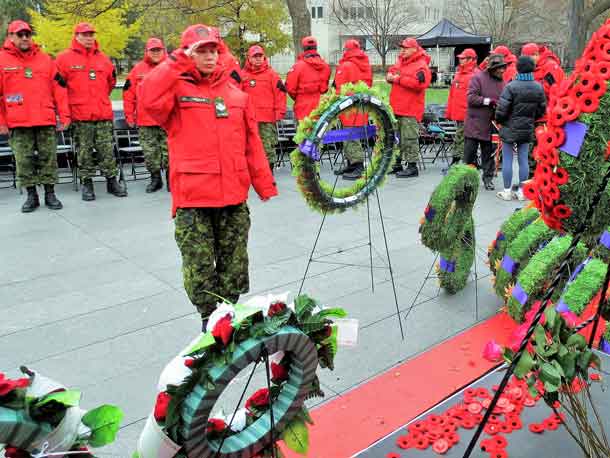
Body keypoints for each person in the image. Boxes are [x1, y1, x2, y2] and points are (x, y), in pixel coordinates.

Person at [140, 24, 278, 330]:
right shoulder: (175, 92)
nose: (210, 57)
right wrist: (176, 62)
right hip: (194, 199)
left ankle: (228, 318)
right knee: (200, 269)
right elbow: (147, 99)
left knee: (235, 266)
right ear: (188, 54)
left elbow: (251, 142)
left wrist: (264, 184)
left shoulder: (236, 95)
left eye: (214, 50)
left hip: (233, 197)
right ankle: (208, 319)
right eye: (201, 51)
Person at [0, 20, 69, 212]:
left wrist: (64, 115)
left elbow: (59, 89)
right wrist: (2, 122)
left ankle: (50, 193)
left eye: (27, 34)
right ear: (10, 36)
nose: (24, 38)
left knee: (49, 157)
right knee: (23, 159)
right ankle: (31, 195)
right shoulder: (2, 60)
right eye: (19, 34)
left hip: (44, 119)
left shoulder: (46, 60)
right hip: (17, 121)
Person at [56, 22, 127, 201]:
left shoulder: (103, 58)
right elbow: (58, 87)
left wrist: (100, 100)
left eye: (91, 34)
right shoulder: (64, 59)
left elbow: (110, 83)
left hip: (102, 115)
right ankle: (87, 184)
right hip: (80, 117)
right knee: (84, 152)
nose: (89, 37)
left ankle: (112, 182)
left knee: (107, 151)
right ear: (76, 36)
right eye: (85, 34)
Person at [495, 56, 546, 201]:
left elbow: (501, 110)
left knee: (508, 159)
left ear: (517, 68)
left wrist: (500, 121)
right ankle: (523, 192)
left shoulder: (510, 86)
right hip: (527, 127)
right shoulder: (538, 87)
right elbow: (542, 110)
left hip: (509, 127)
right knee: (523, 160)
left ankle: (506, 191)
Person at [123, 37, 169, 193]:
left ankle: (172, 179)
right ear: (147, 52)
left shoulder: (171, 67)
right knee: (150, 153)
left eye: (158, 50)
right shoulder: (137, 70)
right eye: (153, 50)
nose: (156, 53)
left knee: (170, 152)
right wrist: (129, 115)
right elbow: (128, 94)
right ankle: (155, 179)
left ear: (163, 51)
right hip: (146, 120)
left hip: (168, 120)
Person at [386, 38, 431, 178]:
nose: (402, 50)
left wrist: (398, 79)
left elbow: (419, 84)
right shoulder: (400, 61)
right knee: (397, 138)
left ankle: (412, 166)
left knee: (409, 138)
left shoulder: (421, 65)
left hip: (410, 109)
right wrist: (389, 77)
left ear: (414, 49)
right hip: (396, 107)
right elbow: (391, 73)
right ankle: (397, 163)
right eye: (402, 48)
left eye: (405, 48)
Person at [240, 44, 287, 173]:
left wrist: (279, 112)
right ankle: (252, 172)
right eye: (255, 56)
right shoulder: (242, 75)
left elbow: (280, 93)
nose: (258, 59)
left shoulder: (272, 75)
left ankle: (268, 172)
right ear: (249, 58)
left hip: (267, 119)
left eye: (260, 56)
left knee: (267, 147)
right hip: (248, 119)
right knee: (249, 146)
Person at [464, 53, 506, 190]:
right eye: (499, 68)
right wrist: (488, 101)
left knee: (488, 154)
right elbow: (471, 98)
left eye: (503, 67)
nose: (502, 70)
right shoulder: (478, 78)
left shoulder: (503, 83)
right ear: (491, 68)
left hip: (491, 124)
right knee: (469, 155)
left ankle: (488, 179)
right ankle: (465, 180)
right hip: (474, 124)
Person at [333, 39, 373, 180]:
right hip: (361, 105)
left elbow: (339, 86)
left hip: (349, 105)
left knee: (350, 136)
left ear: (347, 50)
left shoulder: (347, 65)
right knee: (353, 135)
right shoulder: (365, 64)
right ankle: (352, 164)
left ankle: (358, 166)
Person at [285, 36, 331, 121]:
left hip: (302, 108)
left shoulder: (298, 66)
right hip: (320, 107)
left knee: (303, 133)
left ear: (303, 48)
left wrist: (299, 97)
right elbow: (324, 89)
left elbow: (290, 88)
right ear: (316, 48)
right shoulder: (325, 66)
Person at [445, 48, 477, 166]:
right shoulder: (458, 74)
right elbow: (452, 95)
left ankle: (459, 160)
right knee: (460, 137)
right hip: (458, 114)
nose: (460, 60)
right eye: (460, 58)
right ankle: (461, 160)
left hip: (468, 114)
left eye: (463, 58)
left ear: (471, 60)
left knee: (462, 138)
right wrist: (449, 113)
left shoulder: (475, 75)